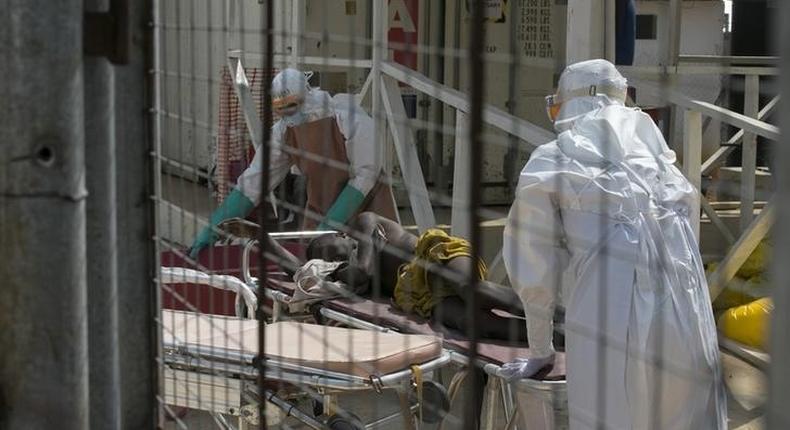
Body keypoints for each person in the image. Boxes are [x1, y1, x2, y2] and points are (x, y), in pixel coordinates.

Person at [501, 59, 726, 429]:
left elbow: (533, 268)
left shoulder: (553, 160)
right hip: (690, 319)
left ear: (568, 102)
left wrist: (541, 350)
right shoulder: (662, 162)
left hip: (609, 318)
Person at [190, 68, 397, 257]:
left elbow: (365, 176)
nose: (288, 112)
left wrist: (329, 225)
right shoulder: (283, 133)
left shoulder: (352, 121)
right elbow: (254, 182)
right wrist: (214, 227)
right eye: (280, 107)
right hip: (321, 210)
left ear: (305, 96)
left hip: (369, 212)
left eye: (291, 104)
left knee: (372, 269)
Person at [253, 211, 527, 342]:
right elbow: (305, 275)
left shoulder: (364, 222)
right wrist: (261, 241)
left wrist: (348, 272)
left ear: (342, 235)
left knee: (472, 290)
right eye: (327, 261)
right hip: (418, 295)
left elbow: (363, 271)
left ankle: (557, 314)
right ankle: (554, 336)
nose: (332, 261)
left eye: (330, 252)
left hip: (433, 257)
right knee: (467, 321)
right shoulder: (345, 269)